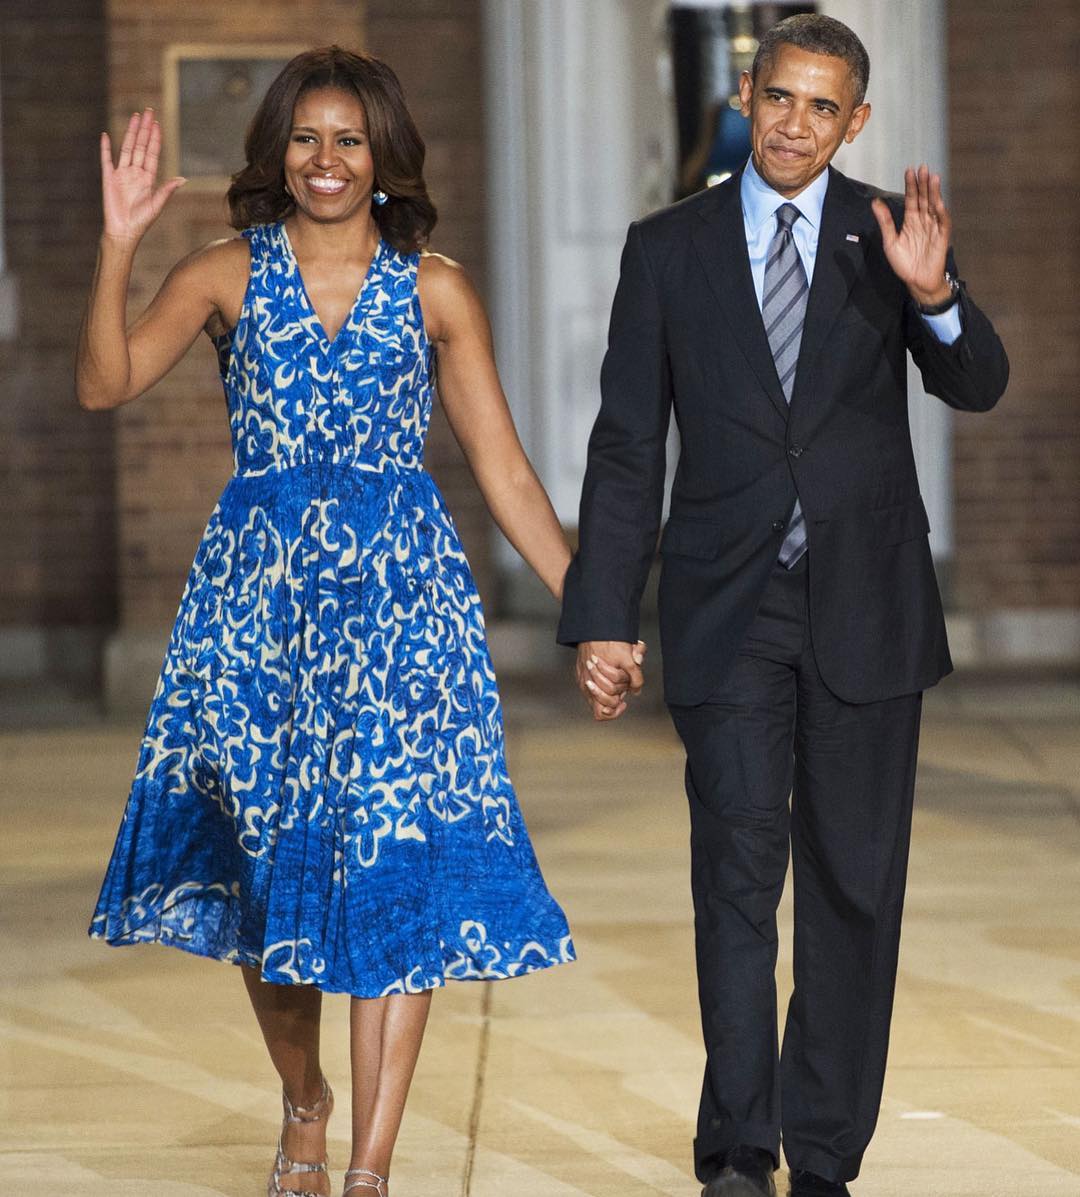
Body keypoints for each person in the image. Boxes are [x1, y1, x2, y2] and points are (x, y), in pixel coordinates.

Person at [81, 46, 576, 1197]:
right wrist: (117, 246)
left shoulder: (437, 289)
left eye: (349, 139)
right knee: (270, 879)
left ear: (383, 155)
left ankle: (367, 1171)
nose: (326, 159)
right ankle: (305, 1096)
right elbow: (105, 384)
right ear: (279, 152)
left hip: (404, 620)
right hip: (258, 622)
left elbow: (504, 472)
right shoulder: (223, 273)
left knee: (396, 870)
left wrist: (593, 612)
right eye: (306, 137)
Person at [558, 14, 1007, 1197]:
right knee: (737, 879)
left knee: (856, 887)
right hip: (730, 609)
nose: (795, 126)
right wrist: (605, 613)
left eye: (823, 108)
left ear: (855, 122)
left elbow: (978, 384)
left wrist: (937, 294)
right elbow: (625, 445)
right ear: (746, 96)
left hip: (869, 605)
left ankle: (823, 1157)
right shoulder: (668, 248)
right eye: (779, 99)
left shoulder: (889, 234)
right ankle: (737, 1150)